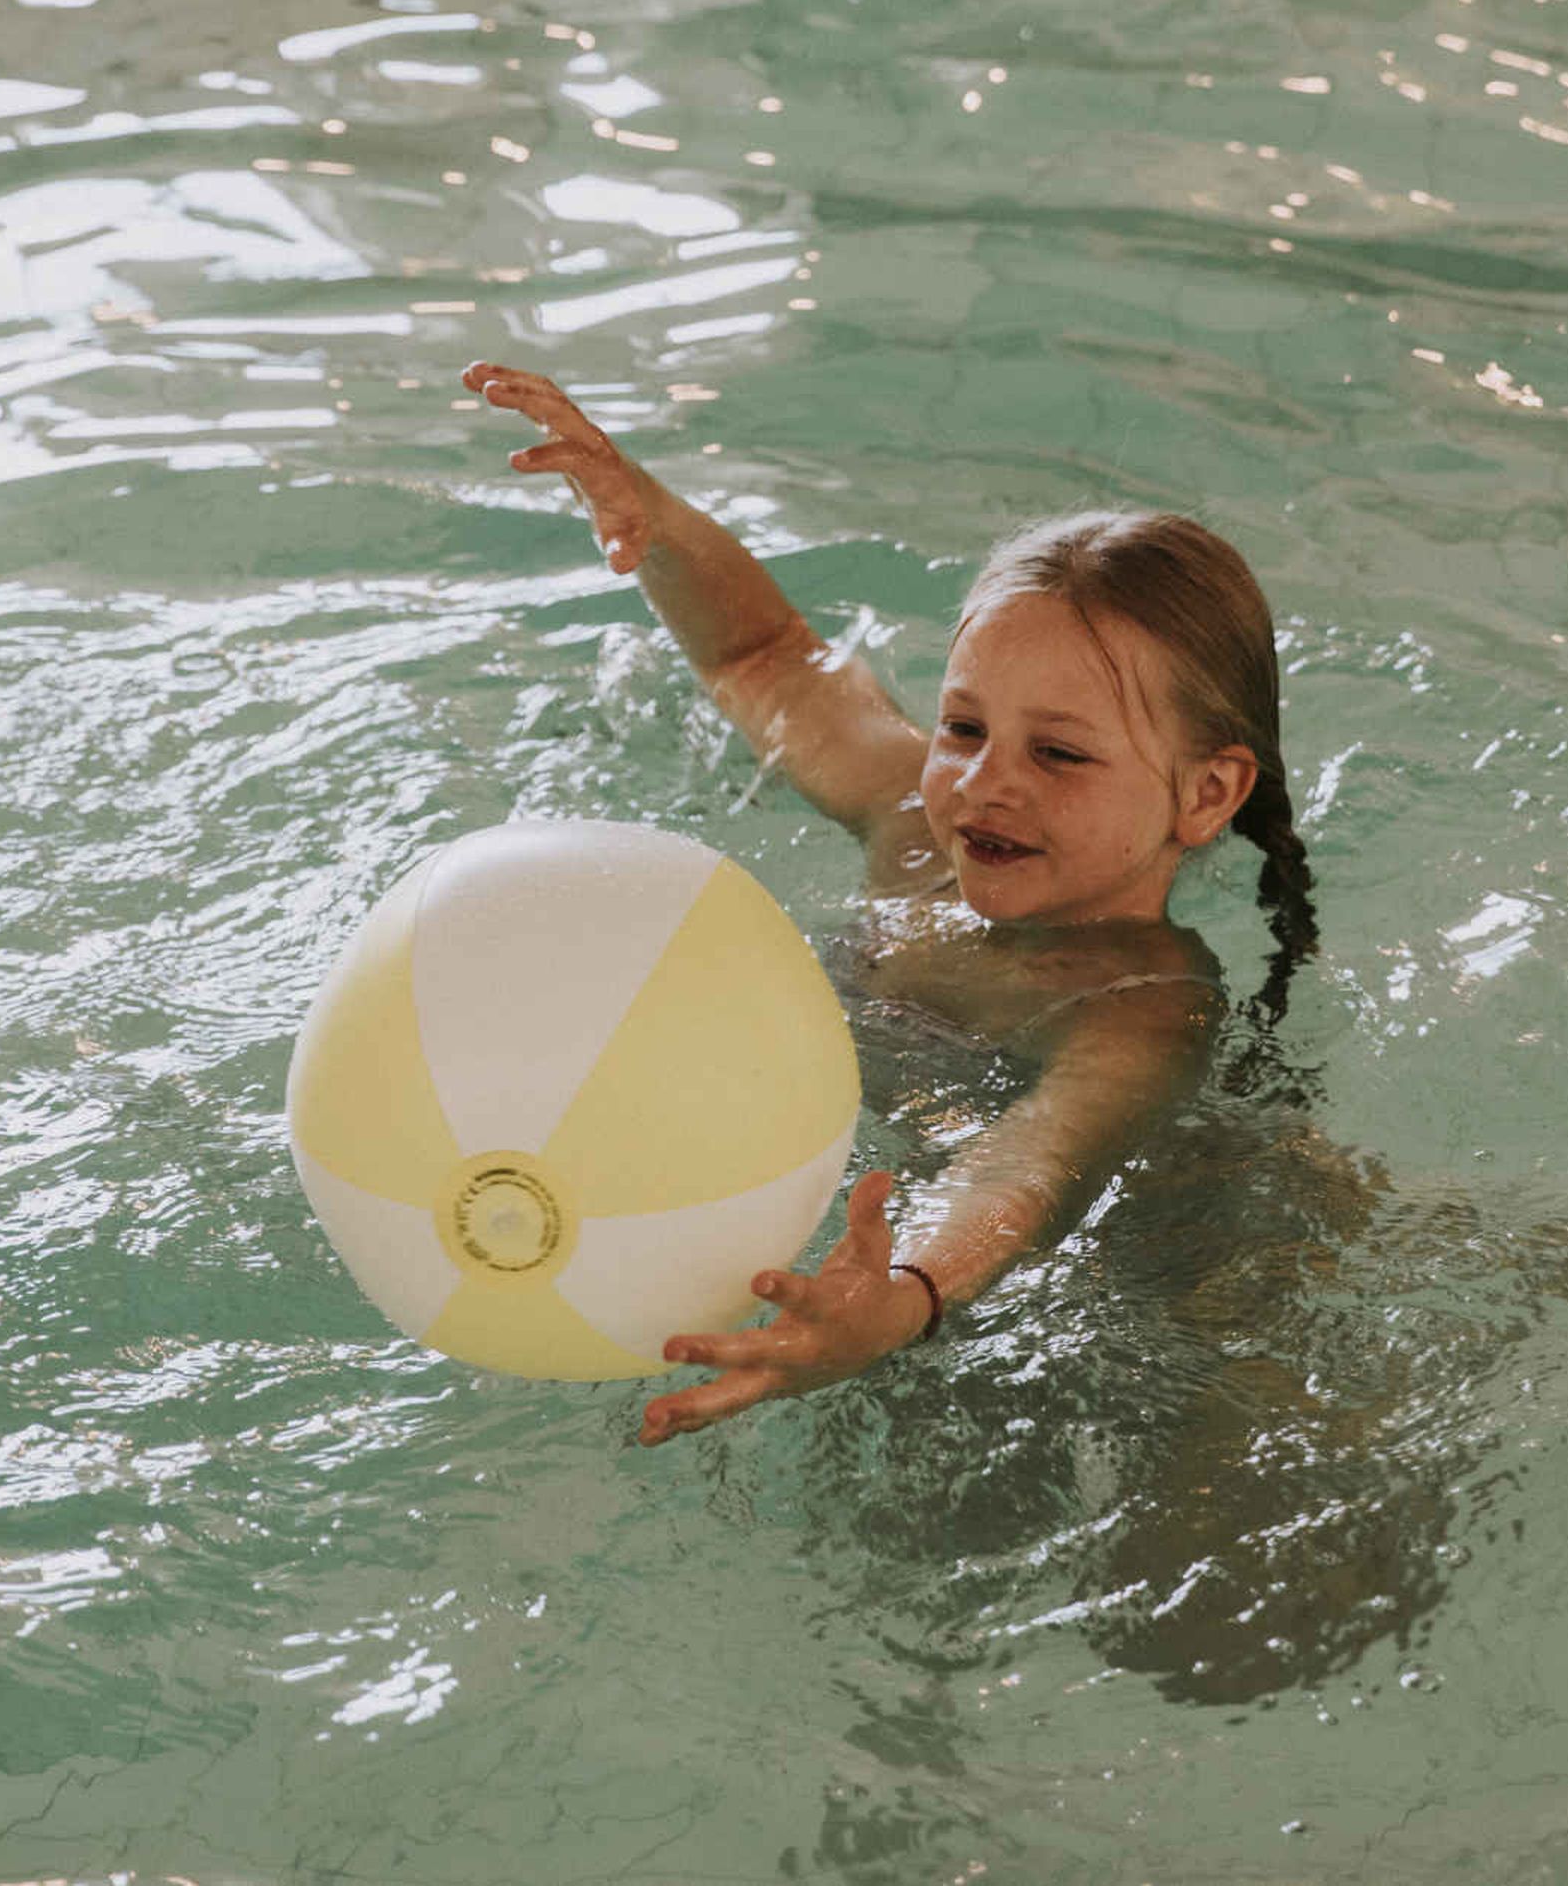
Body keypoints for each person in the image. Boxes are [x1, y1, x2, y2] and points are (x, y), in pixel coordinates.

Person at [459, 358, 1321, 1448]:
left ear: (1205, 794)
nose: (984, 781)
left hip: (1109, 1263)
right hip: (903, 1224)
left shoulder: (1143, 1003)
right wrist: (657, 519)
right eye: (964, 727)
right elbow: (764, 657)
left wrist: (905, 1293)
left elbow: (1029, 1166)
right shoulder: (915, 825)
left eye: (1057, 752)